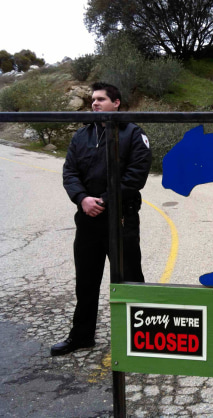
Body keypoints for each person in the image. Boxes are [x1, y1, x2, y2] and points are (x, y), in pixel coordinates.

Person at [51, 82, 152, 356]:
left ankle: (140, 341)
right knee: (86, 281)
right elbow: (69, 172)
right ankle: (81, 336)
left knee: (130, 279)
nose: (94, 103)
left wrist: (105, 201)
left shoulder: (133, 134)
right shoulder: (81, 136)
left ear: (116, 103)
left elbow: (136, 176)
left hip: (121, 220)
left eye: (101, 99)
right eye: (93, 100)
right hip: (88, 221)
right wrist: (82, 198)